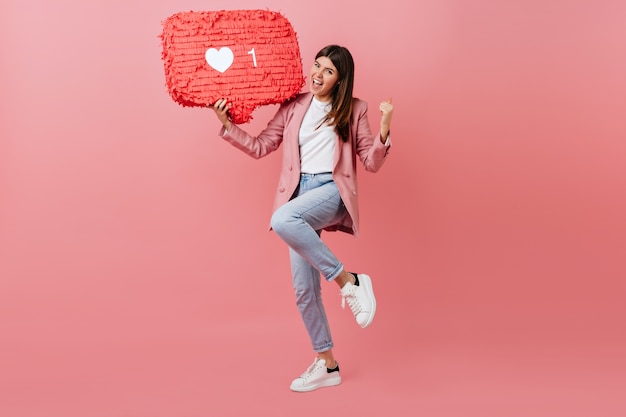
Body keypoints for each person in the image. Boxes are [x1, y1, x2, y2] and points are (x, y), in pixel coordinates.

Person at [210, 44, 394, 392]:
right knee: (304, 290)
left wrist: (385, 129)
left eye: (328, 71)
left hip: (331, 190)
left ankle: (348, 281)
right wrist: (227, 125)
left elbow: (370, 162)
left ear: (341, 80)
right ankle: (328, 365)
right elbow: (262, 145)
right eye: (317, 66)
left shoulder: (355, 109)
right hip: (299, 194)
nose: (318, 75)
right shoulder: (294, 105)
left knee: (282, 220)